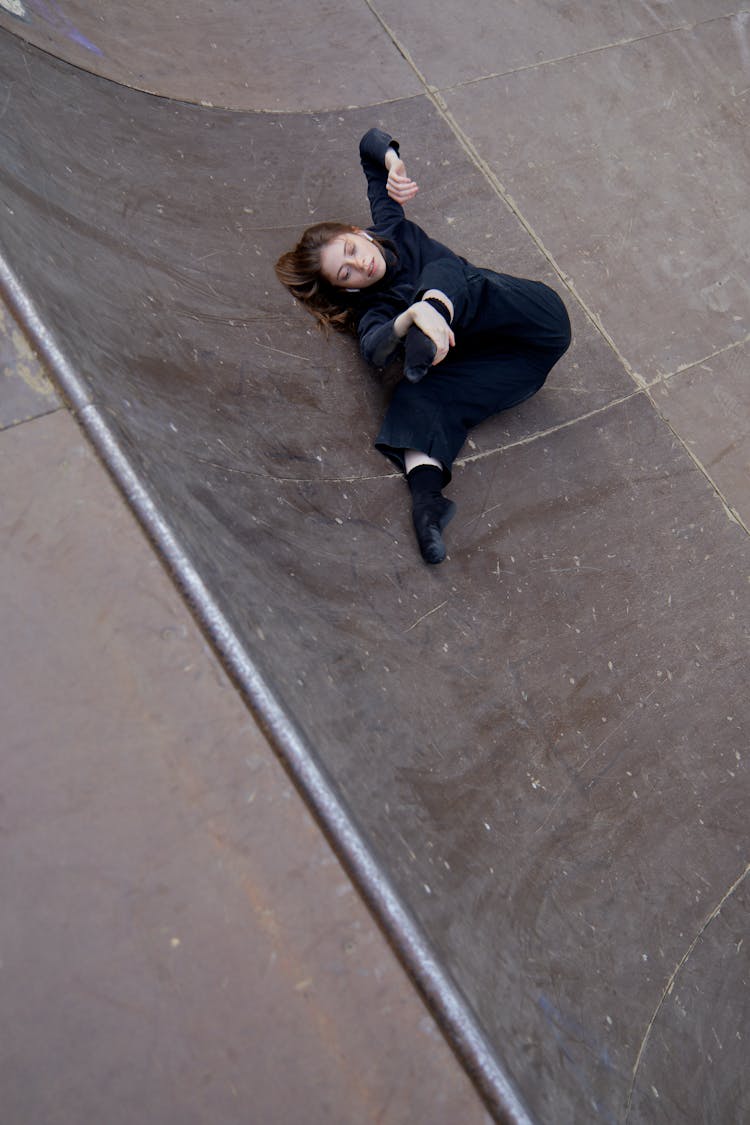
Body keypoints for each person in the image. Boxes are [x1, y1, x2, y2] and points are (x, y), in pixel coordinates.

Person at [275, 128, 571, 564]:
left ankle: (435, 306)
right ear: (347, 290)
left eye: (353, 250)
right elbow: (374, 347)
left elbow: (368, 147)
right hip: (509, 365)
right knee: (416, 393)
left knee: (447, 273)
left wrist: (392, 162)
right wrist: (405, 320)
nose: (360, 264)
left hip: (531, 318)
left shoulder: (390, 226)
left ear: (361, 232)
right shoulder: (373, 310)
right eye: (346, 274)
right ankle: (427, 504)